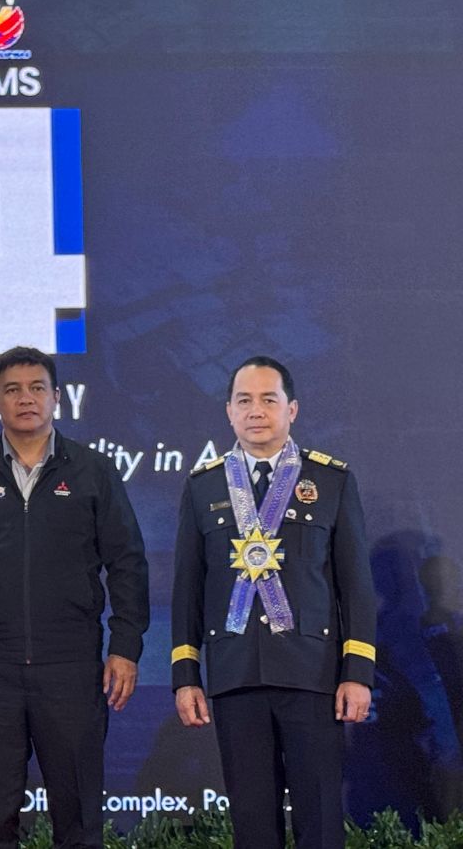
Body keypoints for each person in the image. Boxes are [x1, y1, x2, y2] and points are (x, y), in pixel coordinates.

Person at [0, 345, 149, 849]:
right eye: (12, 390)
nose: (25, 399)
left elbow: (128, 563)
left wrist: (125, 646)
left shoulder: (93, 470)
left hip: (71, 665)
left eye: (36, 388)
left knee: (79, 817)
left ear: (56, 398)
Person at [171, 356, 376, 849]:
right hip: (236, 675)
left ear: (292, 409)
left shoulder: (330, 481)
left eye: (269, 399)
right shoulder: (203, 486)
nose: (256, 410)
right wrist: (185, 676)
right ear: (229, 412)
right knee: (253, 825)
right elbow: (187, 589)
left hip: (313, 675)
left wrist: (357, 673)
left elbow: (355, 585)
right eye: (244, 400)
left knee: (320, 821)